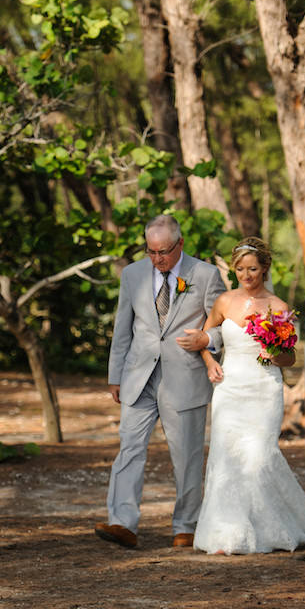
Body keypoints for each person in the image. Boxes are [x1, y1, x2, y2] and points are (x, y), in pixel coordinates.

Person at [193, 237, 305, 555]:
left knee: (259, 457)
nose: (246, 275)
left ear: (264, 269)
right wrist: (209, 364)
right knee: (227, 458)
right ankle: (227, 533)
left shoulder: (279, 307)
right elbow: (205, 340)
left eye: (253, 269)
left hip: (264, 388)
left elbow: (290, 359)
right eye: (241, 269)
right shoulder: (224, 302)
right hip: (230, 388)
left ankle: (272, 527)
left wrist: (275, 354)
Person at [95, 214, 227, 549]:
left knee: (187, 455)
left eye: (164, 252)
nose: (158, 259)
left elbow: (225, 324)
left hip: (185, 377)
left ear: (180, 244)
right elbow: (122, 328)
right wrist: (115, 375)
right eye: (152, 252)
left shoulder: (205, 275)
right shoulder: (133, 274)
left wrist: (206, 339)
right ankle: (122, 523)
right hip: (138, 377)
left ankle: (186, 525)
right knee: (129, 448)